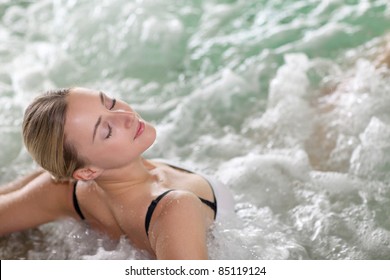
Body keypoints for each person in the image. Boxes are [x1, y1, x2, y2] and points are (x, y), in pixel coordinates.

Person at [0, 87, 235, 260]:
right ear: (88, 171)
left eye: (110, 103)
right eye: (106, 130)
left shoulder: (64, 187)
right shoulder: (173, 209)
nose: (126, 116)